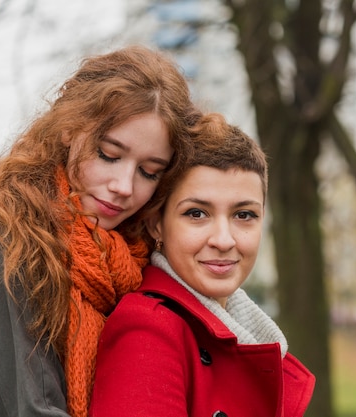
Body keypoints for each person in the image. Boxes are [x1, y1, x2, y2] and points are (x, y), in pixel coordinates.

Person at [0, 45, 199, 417]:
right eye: (109, 154)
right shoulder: (10, 241)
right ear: (70, 128)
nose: (124, 185)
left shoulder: (135, 255)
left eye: (149, 171)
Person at [89, 113, 316, 417]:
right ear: (156, 224)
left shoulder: (249, 334)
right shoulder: (147, 328)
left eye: (244, 215)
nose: (224, 240)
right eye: (196, 214)